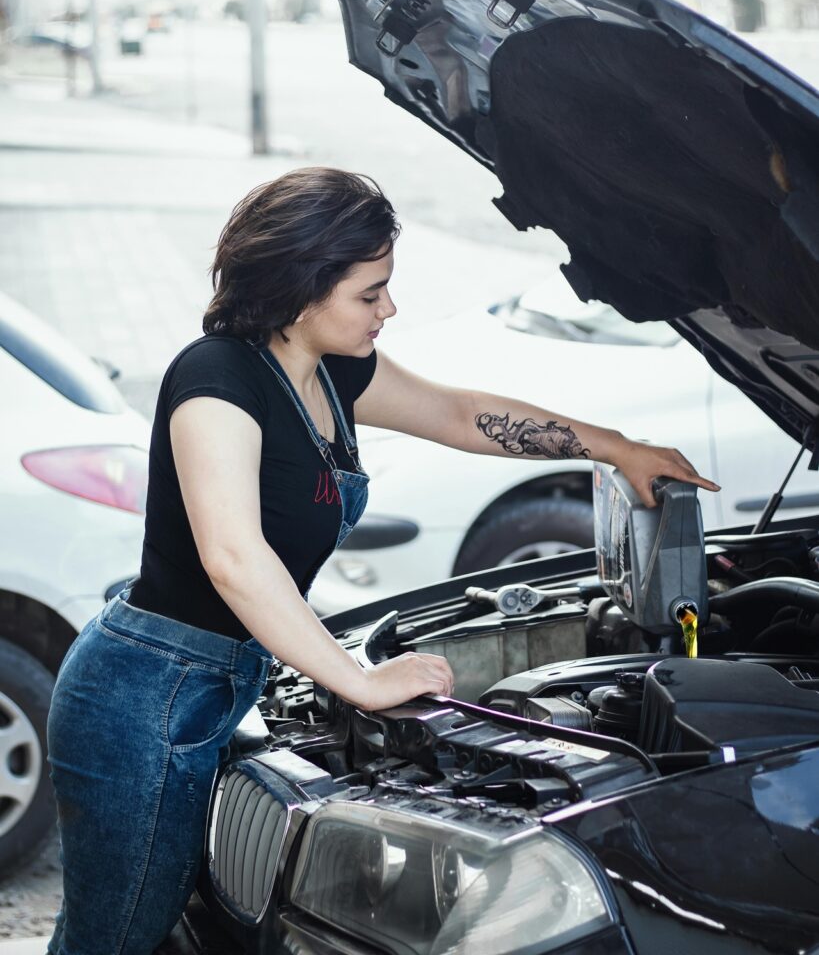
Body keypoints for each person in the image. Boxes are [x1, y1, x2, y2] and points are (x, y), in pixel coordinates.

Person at [45, 166, 719, 954]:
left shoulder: (329, 371)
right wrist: (357, 680)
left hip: (211, 685)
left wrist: (616, 448)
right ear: (302, 286)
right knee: (112, 940)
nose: (388, 309)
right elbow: (233, 558)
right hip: (140, 697)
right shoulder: (215, 381)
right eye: (370, 293)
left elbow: (456, 413)